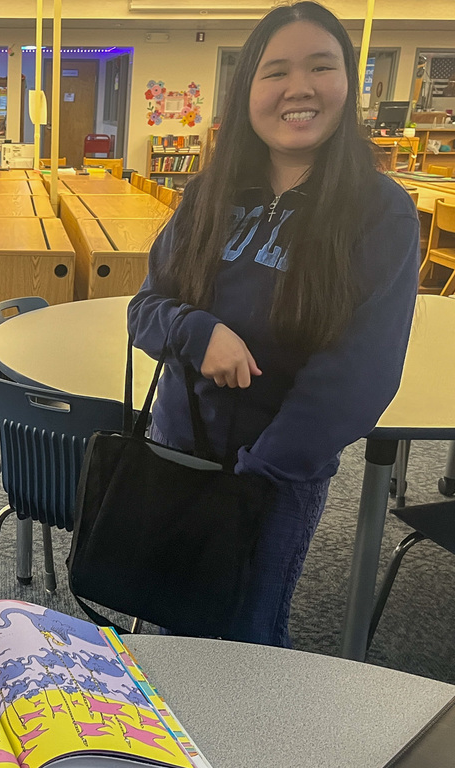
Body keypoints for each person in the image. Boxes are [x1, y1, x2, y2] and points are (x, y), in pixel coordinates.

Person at [127, 1, 419, 647]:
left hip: (274, 480)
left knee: (246, 645)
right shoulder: (209, 193)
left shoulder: (379, 211)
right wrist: (196, 332)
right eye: (275, 71)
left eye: (322, 66)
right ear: (248, 90)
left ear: (349, 83)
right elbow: (144, 310)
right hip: (178, 452)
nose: (299, 88)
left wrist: (259, 479)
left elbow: (358, 377)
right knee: (170, 634)